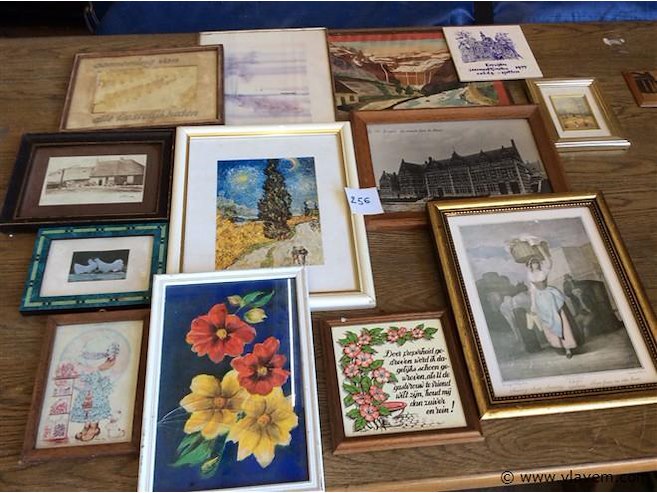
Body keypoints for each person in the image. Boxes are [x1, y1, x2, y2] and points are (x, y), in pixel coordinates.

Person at [526, 243, 578, 358]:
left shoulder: (543, 271)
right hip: (540, 300)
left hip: (550, 296)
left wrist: (540, 249)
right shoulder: (530, 275)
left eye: (536, 263)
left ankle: (568, 348)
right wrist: (533, 306)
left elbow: (549, 262)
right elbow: (533, 291)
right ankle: (559, 345)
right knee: (548, 323)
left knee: (559, 320)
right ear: (530, 265)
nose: (535, 265)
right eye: (533, 263)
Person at [70, 341, 118, 441]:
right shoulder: (86, 366)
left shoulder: (99, 367)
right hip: (87, 390)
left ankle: (92, 427)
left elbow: (103, 369)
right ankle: (87, 426)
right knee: (86, 408)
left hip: (95, 391)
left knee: (94, 408)